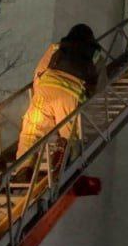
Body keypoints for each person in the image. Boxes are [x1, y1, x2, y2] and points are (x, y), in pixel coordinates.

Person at [16, 24, 102, 168]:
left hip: (46, 89)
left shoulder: (56, 47)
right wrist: (87, 100)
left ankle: (24, 168)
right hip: (71, 96)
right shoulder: (96, 55)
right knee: (71, 135)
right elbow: (100, 88)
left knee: (32, 132)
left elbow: (39, 71)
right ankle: (65, 162)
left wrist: (39, 92)